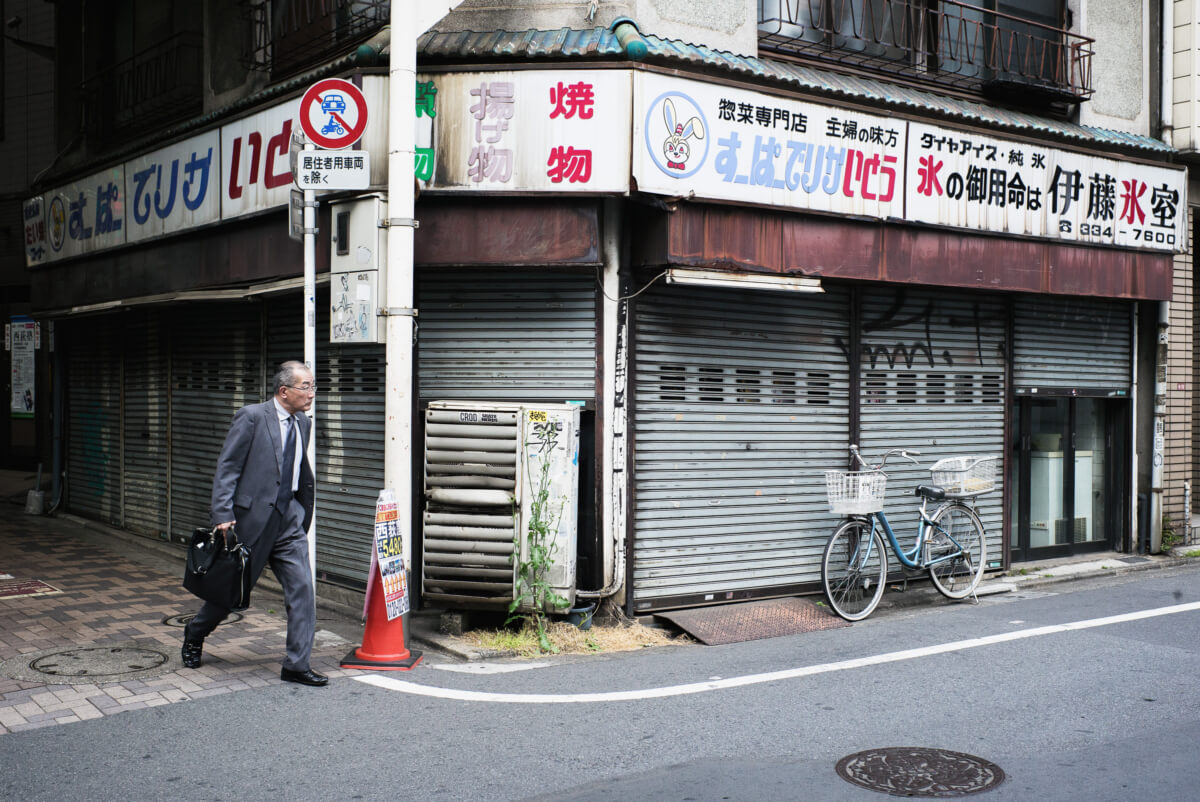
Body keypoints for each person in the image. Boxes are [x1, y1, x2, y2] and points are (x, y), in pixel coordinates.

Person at [182, 360, 327, 687]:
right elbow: (228, 467)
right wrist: (221, 513)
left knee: (303, 590)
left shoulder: (302, 422)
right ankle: (195, 632)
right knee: (229, 595)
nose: (312, 393)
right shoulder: (251, 417)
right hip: (251, 521)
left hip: (288, 519)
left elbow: (297, 468)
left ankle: (296, 664)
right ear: (284, 390)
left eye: (313, 386)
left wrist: (301, 510)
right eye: (306, 386)